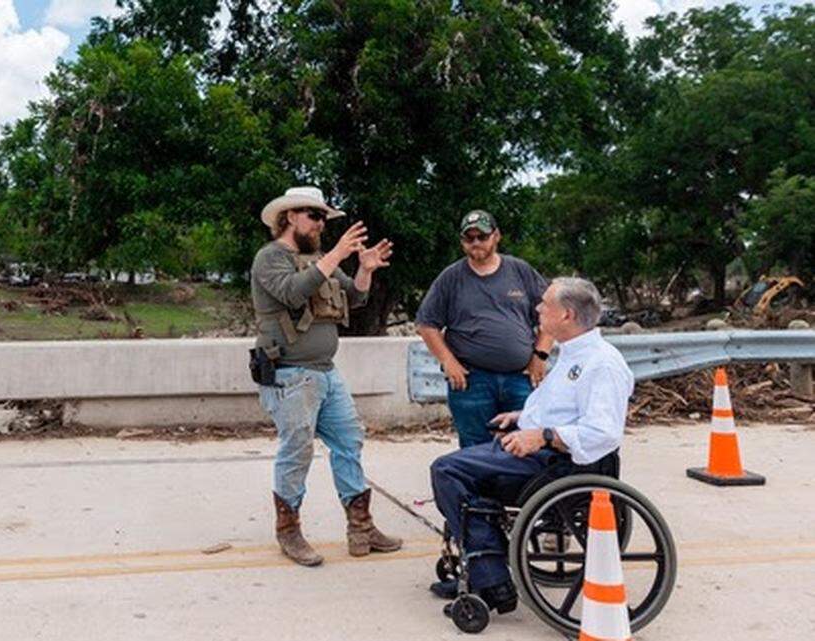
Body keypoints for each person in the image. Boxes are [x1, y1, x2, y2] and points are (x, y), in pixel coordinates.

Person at [428, 277, 634, 618]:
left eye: (545, 304)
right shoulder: (573, 354)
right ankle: (481, 561)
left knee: (448, 470)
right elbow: (565, 410)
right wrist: (522, 417)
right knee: (459, 466)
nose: (537, 309)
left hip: (562, 464)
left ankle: (492, 579)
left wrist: (543, 436)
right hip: (544, 452)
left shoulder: (602, 363)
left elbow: (603, 432)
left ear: (566, 315)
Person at [250, 186, 401, 566]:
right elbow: (292, 294)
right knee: (296, 451)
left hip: (325, 373)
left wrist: (364, 269)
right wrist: (336, 255)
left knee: (349, 441)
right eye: (314, 216)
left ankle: (361, 528)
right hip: (290, 375)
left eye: (322, 218)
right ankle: (289, 531)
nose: (320, 225)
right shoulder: (270, 259)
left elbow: (355, 297)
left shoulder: (318, 259)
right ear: (290, 218)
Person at [416, 210, 553, 448]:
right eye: (469, 238)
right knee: (475, 450)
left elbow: (551, 313)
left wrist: (540, 354)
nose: (476, 243)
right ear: (462, 242)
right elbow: (427, 324)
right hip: (471, 381)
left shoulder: (520, 271)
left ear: (496, 236)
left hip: (521, 378)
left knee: (527, 445)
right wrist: (448, 361)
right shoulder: (451, 278)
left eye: (482, 236)